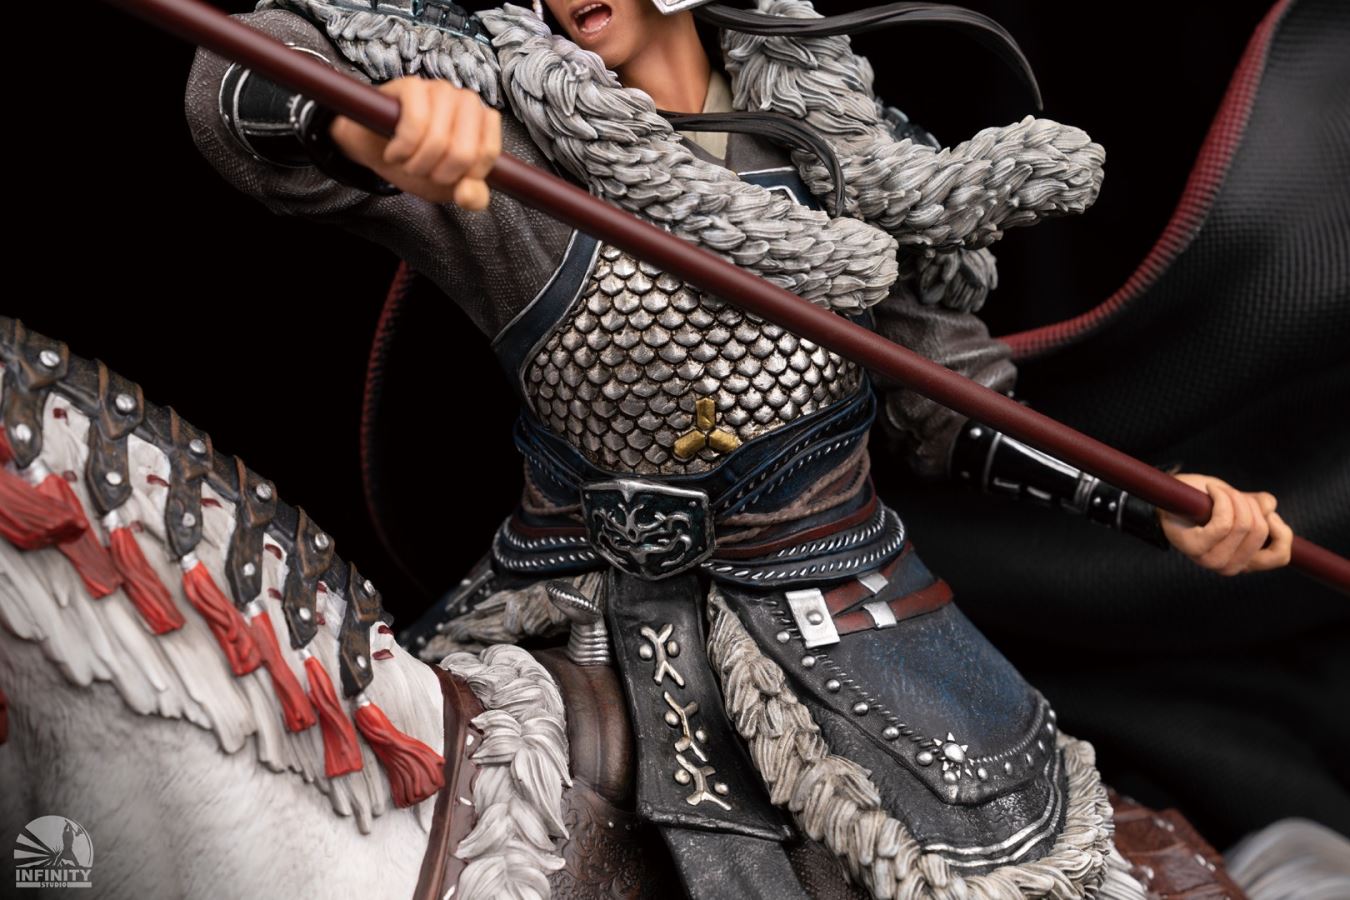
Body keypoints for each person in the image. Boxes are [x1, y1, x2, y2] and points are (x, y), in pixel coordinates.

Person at [183, 0, 1295, 895]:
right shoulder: (517, 147)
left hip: (838, 596)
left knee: (1005, 862)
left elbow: (947, 403)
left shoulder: (844, 153)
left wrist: (1148, 505)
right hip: (574, 600)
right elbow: (239, 79)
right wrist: (362, 123)